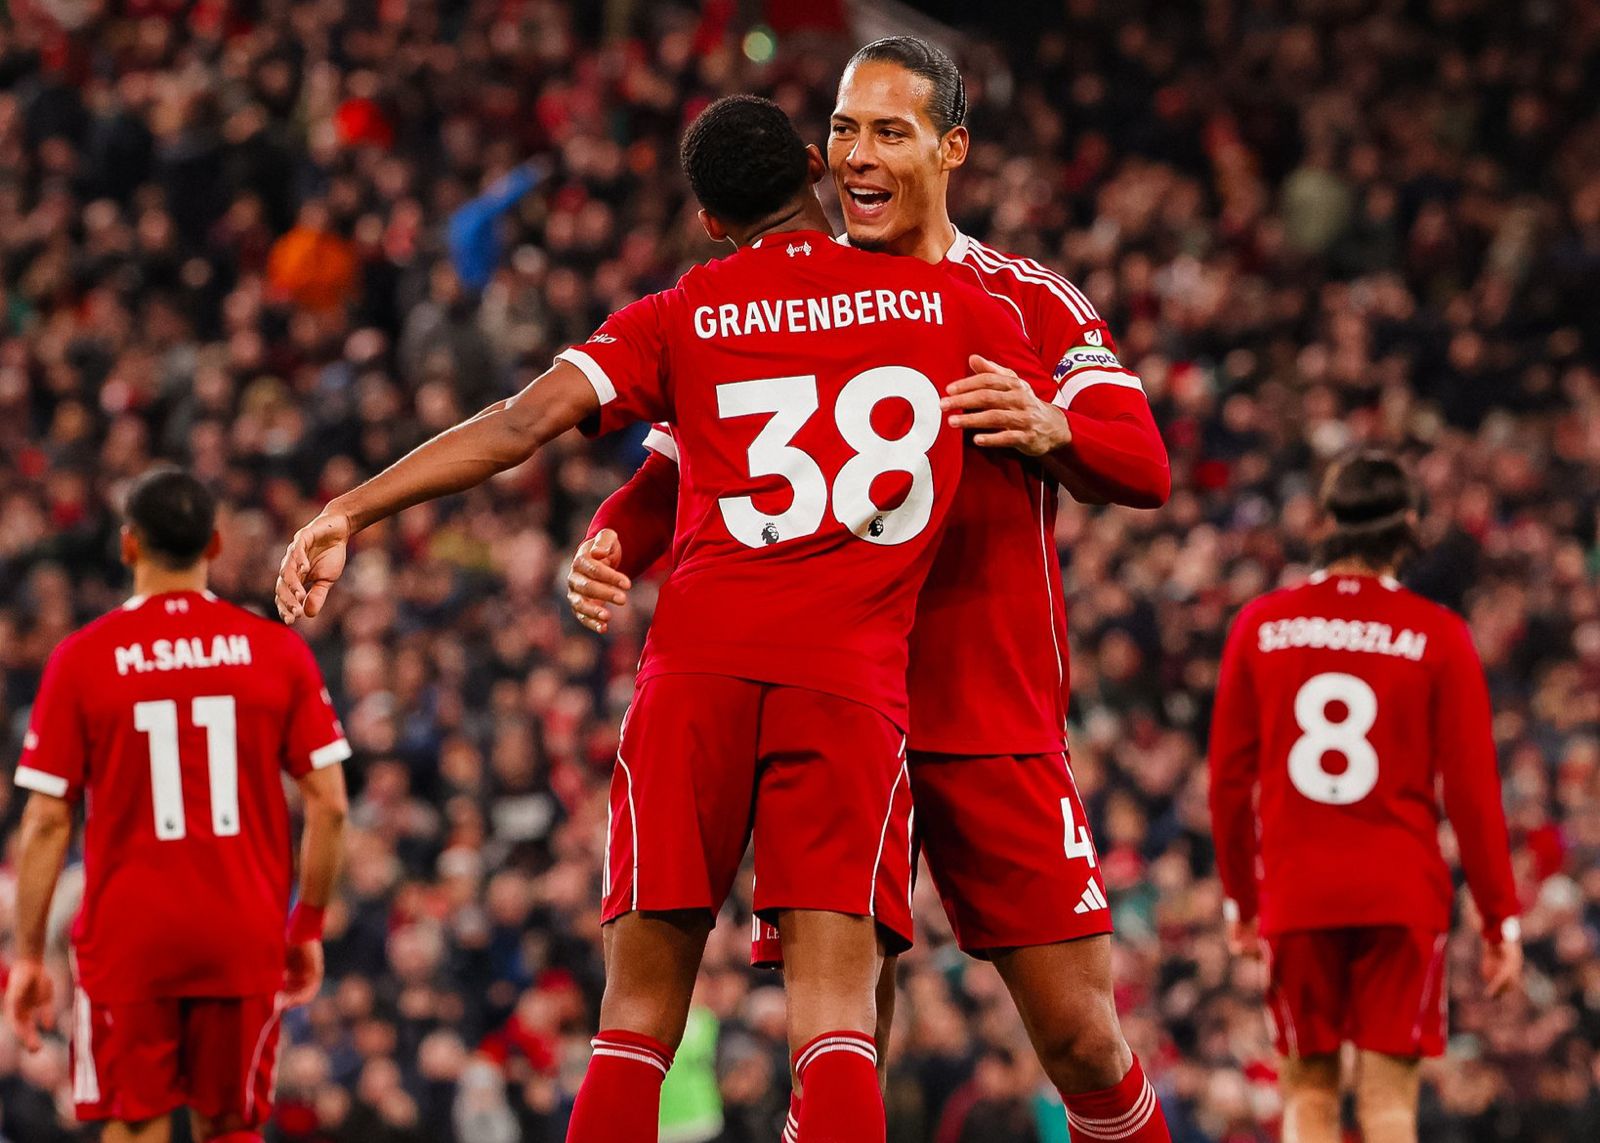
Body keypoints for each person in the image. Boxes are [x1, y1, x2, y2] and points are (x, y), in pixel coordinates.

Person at [274, 95, 1059, 1143]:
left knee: (634, 1023)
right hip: (847, 686)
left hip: (694, 677)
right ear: (816, 169)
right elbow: (1089, 441)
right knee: (835, 1022)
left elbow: (518, 424)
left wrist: (349, 510)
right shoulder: (946, 304)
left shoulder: (680, 312)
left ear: (707, 220)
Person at [566, 36, 1175, 1143]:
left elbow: (1143, 460)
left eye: (889, 131)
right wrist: (612, 537)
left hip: (984, 713)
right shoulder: (782, 294)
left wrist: (1055, 427)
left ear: (951, 149)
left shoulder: (1022, 296)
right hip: (834, 698)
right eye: (844, 129)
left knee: (1083, 1038)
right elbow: (668, 470)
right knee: (843, 1037)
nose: (857, 154)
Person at [4, 467, 351, 1143]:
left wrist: (27, 956)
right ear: (214, 544)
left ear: (128, 544)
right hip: (241, 933)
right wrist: (306, 923)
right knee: (230, 1125)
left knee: (135, 1126)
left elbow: (45, 821)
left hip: (128, 940)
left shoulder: (82, 659)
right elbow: (331, 806)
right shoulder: (274, 651)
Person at [1207, 450, 1523, 1143]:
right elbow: (1473, 792)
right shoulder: (1438, 634)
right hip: (1400, 894)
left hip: (1297, 892)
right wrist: (1499, 921)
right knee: (1387, 1107)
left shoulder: (1261, 624)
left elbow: (1227, 781)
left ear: (1325, 520)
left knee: (1308, 1098)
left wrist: (1241, 902)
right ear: (1409, 525)